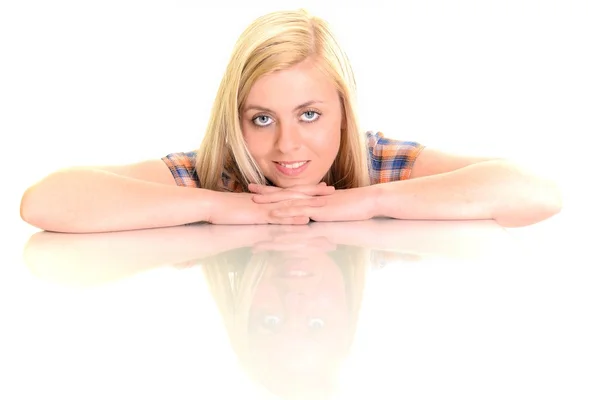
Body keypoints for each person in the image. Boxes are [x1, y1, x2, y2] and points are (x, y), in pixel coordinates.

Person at [19, 9, 562, 234]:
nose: (287, 143)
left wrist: (367, 200)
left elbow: (533, 191)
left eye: (309, 114)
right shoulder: (218, 171)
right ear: (235, 121)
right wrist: (219, 206)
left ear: (344, 115)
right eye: (261, 118)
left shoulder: (375, 162)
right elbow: (45, 201)